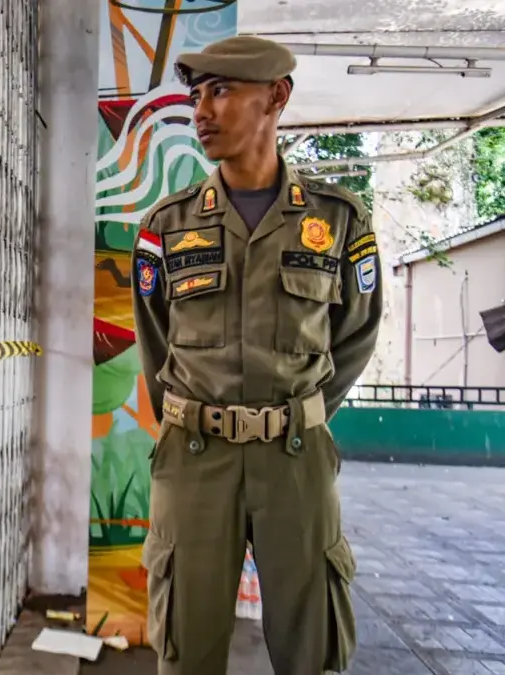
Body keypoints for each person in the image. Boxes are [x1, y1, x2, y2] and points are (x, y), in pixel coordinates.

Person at [131, 36, 383, 675]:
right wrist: (194, 418)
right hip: (196, 458)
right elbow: (155, 342)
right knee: (187, 647)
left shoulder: (338, 220)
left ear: (277, 96)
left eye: (221, 91)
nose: (202, 111)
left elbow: (356, 333)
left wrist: (299, 415)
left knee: (311, 648)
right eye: (197, 95)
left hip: (295, 461)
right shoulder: (167, 225)